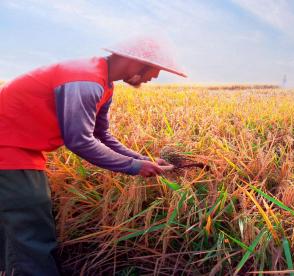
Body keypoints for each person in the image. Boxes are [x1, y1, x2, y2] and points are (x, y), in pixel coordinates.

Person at [0, 37, 186, 275]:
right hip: (9, 151)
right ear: (136, 62)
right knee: (31, 230)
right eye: (156, 69)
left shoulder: (103, 83)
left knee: (16, 227)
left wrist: (142, 160)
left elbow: (101, 134)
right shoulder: (85, 80)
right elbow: (80, 141)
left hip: (19, 150)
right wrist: (134, 166)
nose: (155, 77)